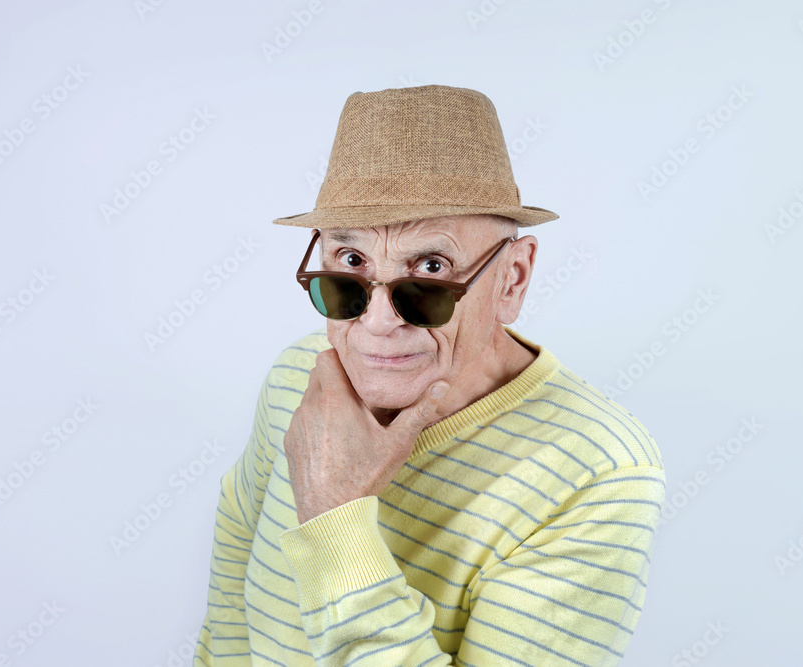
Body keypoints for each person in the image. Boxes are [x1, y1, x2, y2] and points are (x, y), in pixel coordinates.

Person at [193, 84, 665, 666]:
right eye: (350, 263)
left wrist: (337, 521)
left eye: (430, 268)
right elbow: (238, 534)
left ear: (512, 279)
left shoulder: (599, 473)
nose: (378, 323)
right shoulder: (301, 372)